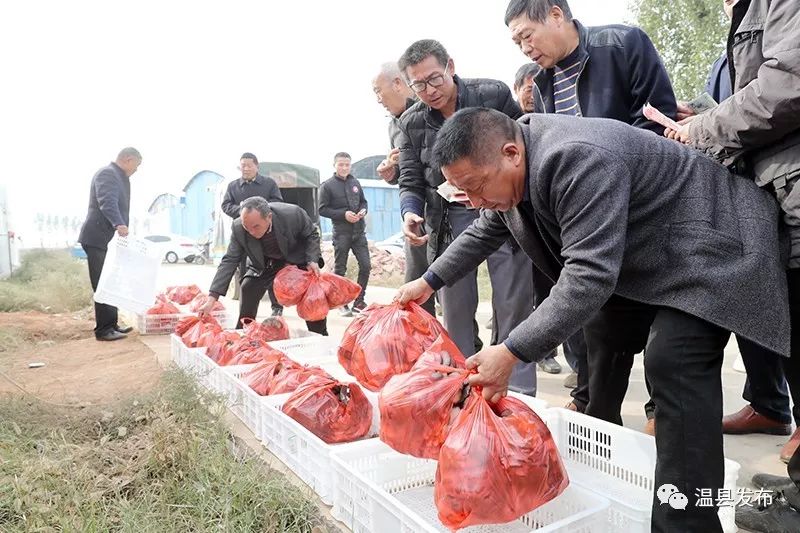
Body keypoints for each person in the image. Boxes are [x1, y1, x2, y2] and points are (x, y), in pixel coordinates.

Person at [396, 107, 789, 532]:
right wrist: (428, 281)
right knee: (601, 334)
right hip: (656, 250)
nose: (473, 202)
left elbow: (588, 276)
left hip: (712, 241)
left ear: (510, 153)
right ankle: (602, 446)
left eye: (474, 187)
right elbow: (484, 230)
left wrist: (511, 352)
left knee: (674, 363)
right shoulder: (514, 164)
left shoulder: (576, 157)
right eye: (462, 193)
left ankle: (686, 523)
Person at [506, 0, 678, 429]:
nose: (525, 48)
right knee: (594, 309)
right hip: (588, 209)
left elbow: (657, 120)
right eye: (516, 43)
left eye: (527, 35)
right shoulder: (543, 84)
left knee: (661, 314)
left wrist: (610, 178)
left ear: (556, 14)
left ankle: (660, 408)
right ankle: (594, 406)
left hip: (643, 201)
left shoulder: (623, 44)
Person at [664, 0, 800, 464]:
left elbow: (785, 87)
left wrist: (705, 126)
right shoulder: (747, 17)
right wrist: (703, 116)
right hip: (772, 190)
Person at [396, 39, 538, 396]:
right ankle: (461, 385)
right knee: (455, 303)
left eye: (434, 79)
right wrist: (410, 212)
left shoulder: (491, 95)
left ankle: (517, 389)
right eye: (418, 85)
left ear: (450, 67)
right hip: (449, 217)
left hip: (503, 207)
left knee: (512, 298)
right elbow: (410, 177)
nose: (429, 91)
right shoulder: (411, 122)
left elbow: (525, 144)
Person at [200, 197, 327, 335]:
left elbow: (311, 235)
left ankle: (320, 335)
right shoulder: (238, 228)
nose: (251, 233)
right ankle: (244, 332)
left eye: (256, 227)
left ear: (269, 217)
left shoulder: (293, 215)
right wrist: (212, 299)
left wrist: (312, 259)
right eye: (246, 227)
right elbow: (230, 260)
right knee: (248, 286)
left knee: (313, 296)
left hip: (295, 261)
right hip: (265, 265)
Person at [372, 62, 435, 316]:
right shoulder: (393, 125)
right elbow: (407, 172)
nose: (378, 99)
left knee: (454, 284)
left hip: (449, 206)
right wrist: (392, 172)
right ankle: (425, 340)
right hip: (417, 210)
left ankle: (469, 345)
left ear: (398, 83)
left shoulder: (433, 108)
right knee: (416, 279)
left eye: (378, 90)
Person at [78, 147, 142, 342]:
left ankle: (112, 324)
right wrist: (119, 223)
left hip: (106, 239)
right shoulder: (108, 174)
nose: (136, 170)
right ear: (128, 159)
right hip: (97, 237)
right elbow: (107, 202)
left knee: (111, 281)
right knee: (103, 283)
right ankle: (103, 329)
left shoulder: (118, 176)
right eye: (136, 166)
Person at [221, 153, 285, 316]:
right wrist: (242, 212)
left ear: (257, 166)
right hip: (243, 234)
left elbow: (278, 202)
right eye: (243, 165)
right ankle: (246, 310)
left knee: (272, 269)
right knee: (245, 274)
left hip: (266, 233)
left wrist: (260, 211)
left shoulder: (268, 183)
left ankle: (276, 307)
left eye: (249, 165)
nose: (246, 168)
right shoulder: (233, 186)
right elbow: (226, 205)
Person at [318, 152, 371, 316]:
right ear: (334, 165)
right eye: (341, 164)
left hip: (359, 232)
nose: (344, 167)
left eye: (347, 164)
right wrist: (343, 214)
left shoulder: (355, 182)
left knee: (366, 265)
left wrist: (363, 210)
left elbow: (363, 201)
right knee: (340, 269)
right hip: (342, 233)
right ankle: (341, 303)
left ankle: (359, 300)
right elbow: (322, 209)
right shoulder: (327, 186)